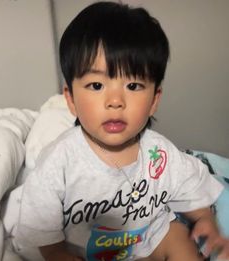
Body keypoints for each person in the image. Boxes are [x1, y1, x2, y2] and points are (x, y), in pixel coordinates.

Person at [16, 1, 229, 260]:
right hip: (89, 253)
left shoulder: (159, 154)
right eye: (96, 85)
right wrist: (57, 254)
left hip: (151, 238)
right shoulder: (59, 162)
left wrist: (205, 219)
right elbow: (42, 234)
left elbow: (192, 188)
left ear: (154, 100)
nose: (115, 101)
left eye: (133, 86)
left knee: (176, 236)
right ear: (70, 99)